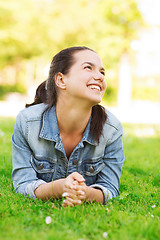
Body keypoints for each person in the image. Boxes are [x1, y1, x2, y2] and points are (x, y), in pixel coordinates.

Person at [12, 46, 125, 207]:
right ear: (61, 80)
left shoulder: (111, 129)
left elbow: (110, 189)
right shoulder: (28, 123)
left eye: (102, 72)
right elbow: (23, 184)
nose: (99, 77)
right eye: (88, 67)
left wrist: (85, 193)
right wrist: (59, 187)